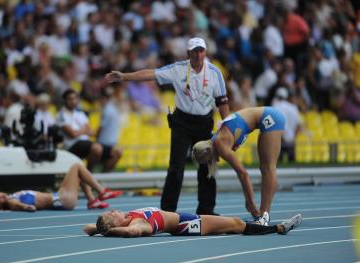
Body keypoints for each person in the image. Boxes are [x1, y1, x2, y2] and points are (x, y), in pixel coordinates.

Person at [105, 37, 230, 215]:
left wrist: (226, 127)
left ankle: (207, 210)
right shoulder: (178, 69)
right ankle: (168, 210)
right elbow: (150, 74)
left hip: (204, 123)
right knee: (176, 168)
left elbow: (222, 101)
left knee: (207, 167)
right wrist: (124, 76)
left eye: (201, 50)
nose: (198, 54)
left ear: (206, 52)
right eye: (194, 51)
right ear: (188, 53)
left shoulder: (214, 72)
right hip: (182, 122)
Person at [191, 106, 285, 226]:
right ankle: (261, 215)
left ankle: (264, 216)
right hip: (267, 117)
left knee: (268, 168)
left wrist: (249, 201)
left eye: (208, 161)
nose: (213, 162)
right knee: (265, 168)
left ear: (207, 152)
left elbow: (243, 173)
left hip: (270, 118)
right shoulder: (216, 139)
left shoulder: (221, 144)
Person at [0, 163, 123, 211]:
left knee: (79, 174)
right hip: (62, 199)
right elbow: (18, 205)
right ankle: (101, 192)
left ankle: (93, 200)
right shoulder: (11, 202)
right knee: (77, 167)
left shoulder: (11, 197)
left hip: (59, 196)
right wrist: (26, 208)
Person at [83, 207, 302, 237]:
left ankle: (265, 225)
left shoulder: (127, 218)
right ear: (118, 223)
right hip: (185, 225)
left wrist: (101, 228)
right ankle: (277, 228)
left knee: (231, 226)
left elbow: (88, 228)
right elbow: (134, 234)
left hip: (184, 217)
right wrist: (113, 230)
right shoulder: (135, 225)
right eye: (113, 213)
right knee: (235, 224)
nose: (114, 210)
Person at [57, 88, 120, 172]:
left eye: (75, 98)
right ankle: (89, 173)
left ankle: (104, 175)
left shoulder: (80, 113)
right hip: (72, 144)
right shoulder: (61, 115)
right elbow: (73, 134)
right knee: (97, 148)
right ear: (65, 100)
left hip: (85, 143)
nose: (73, 101)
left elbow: (91, 132)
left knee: (117, 152)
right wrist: (83, 131)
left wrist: (80, 131)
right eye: (70, 99)